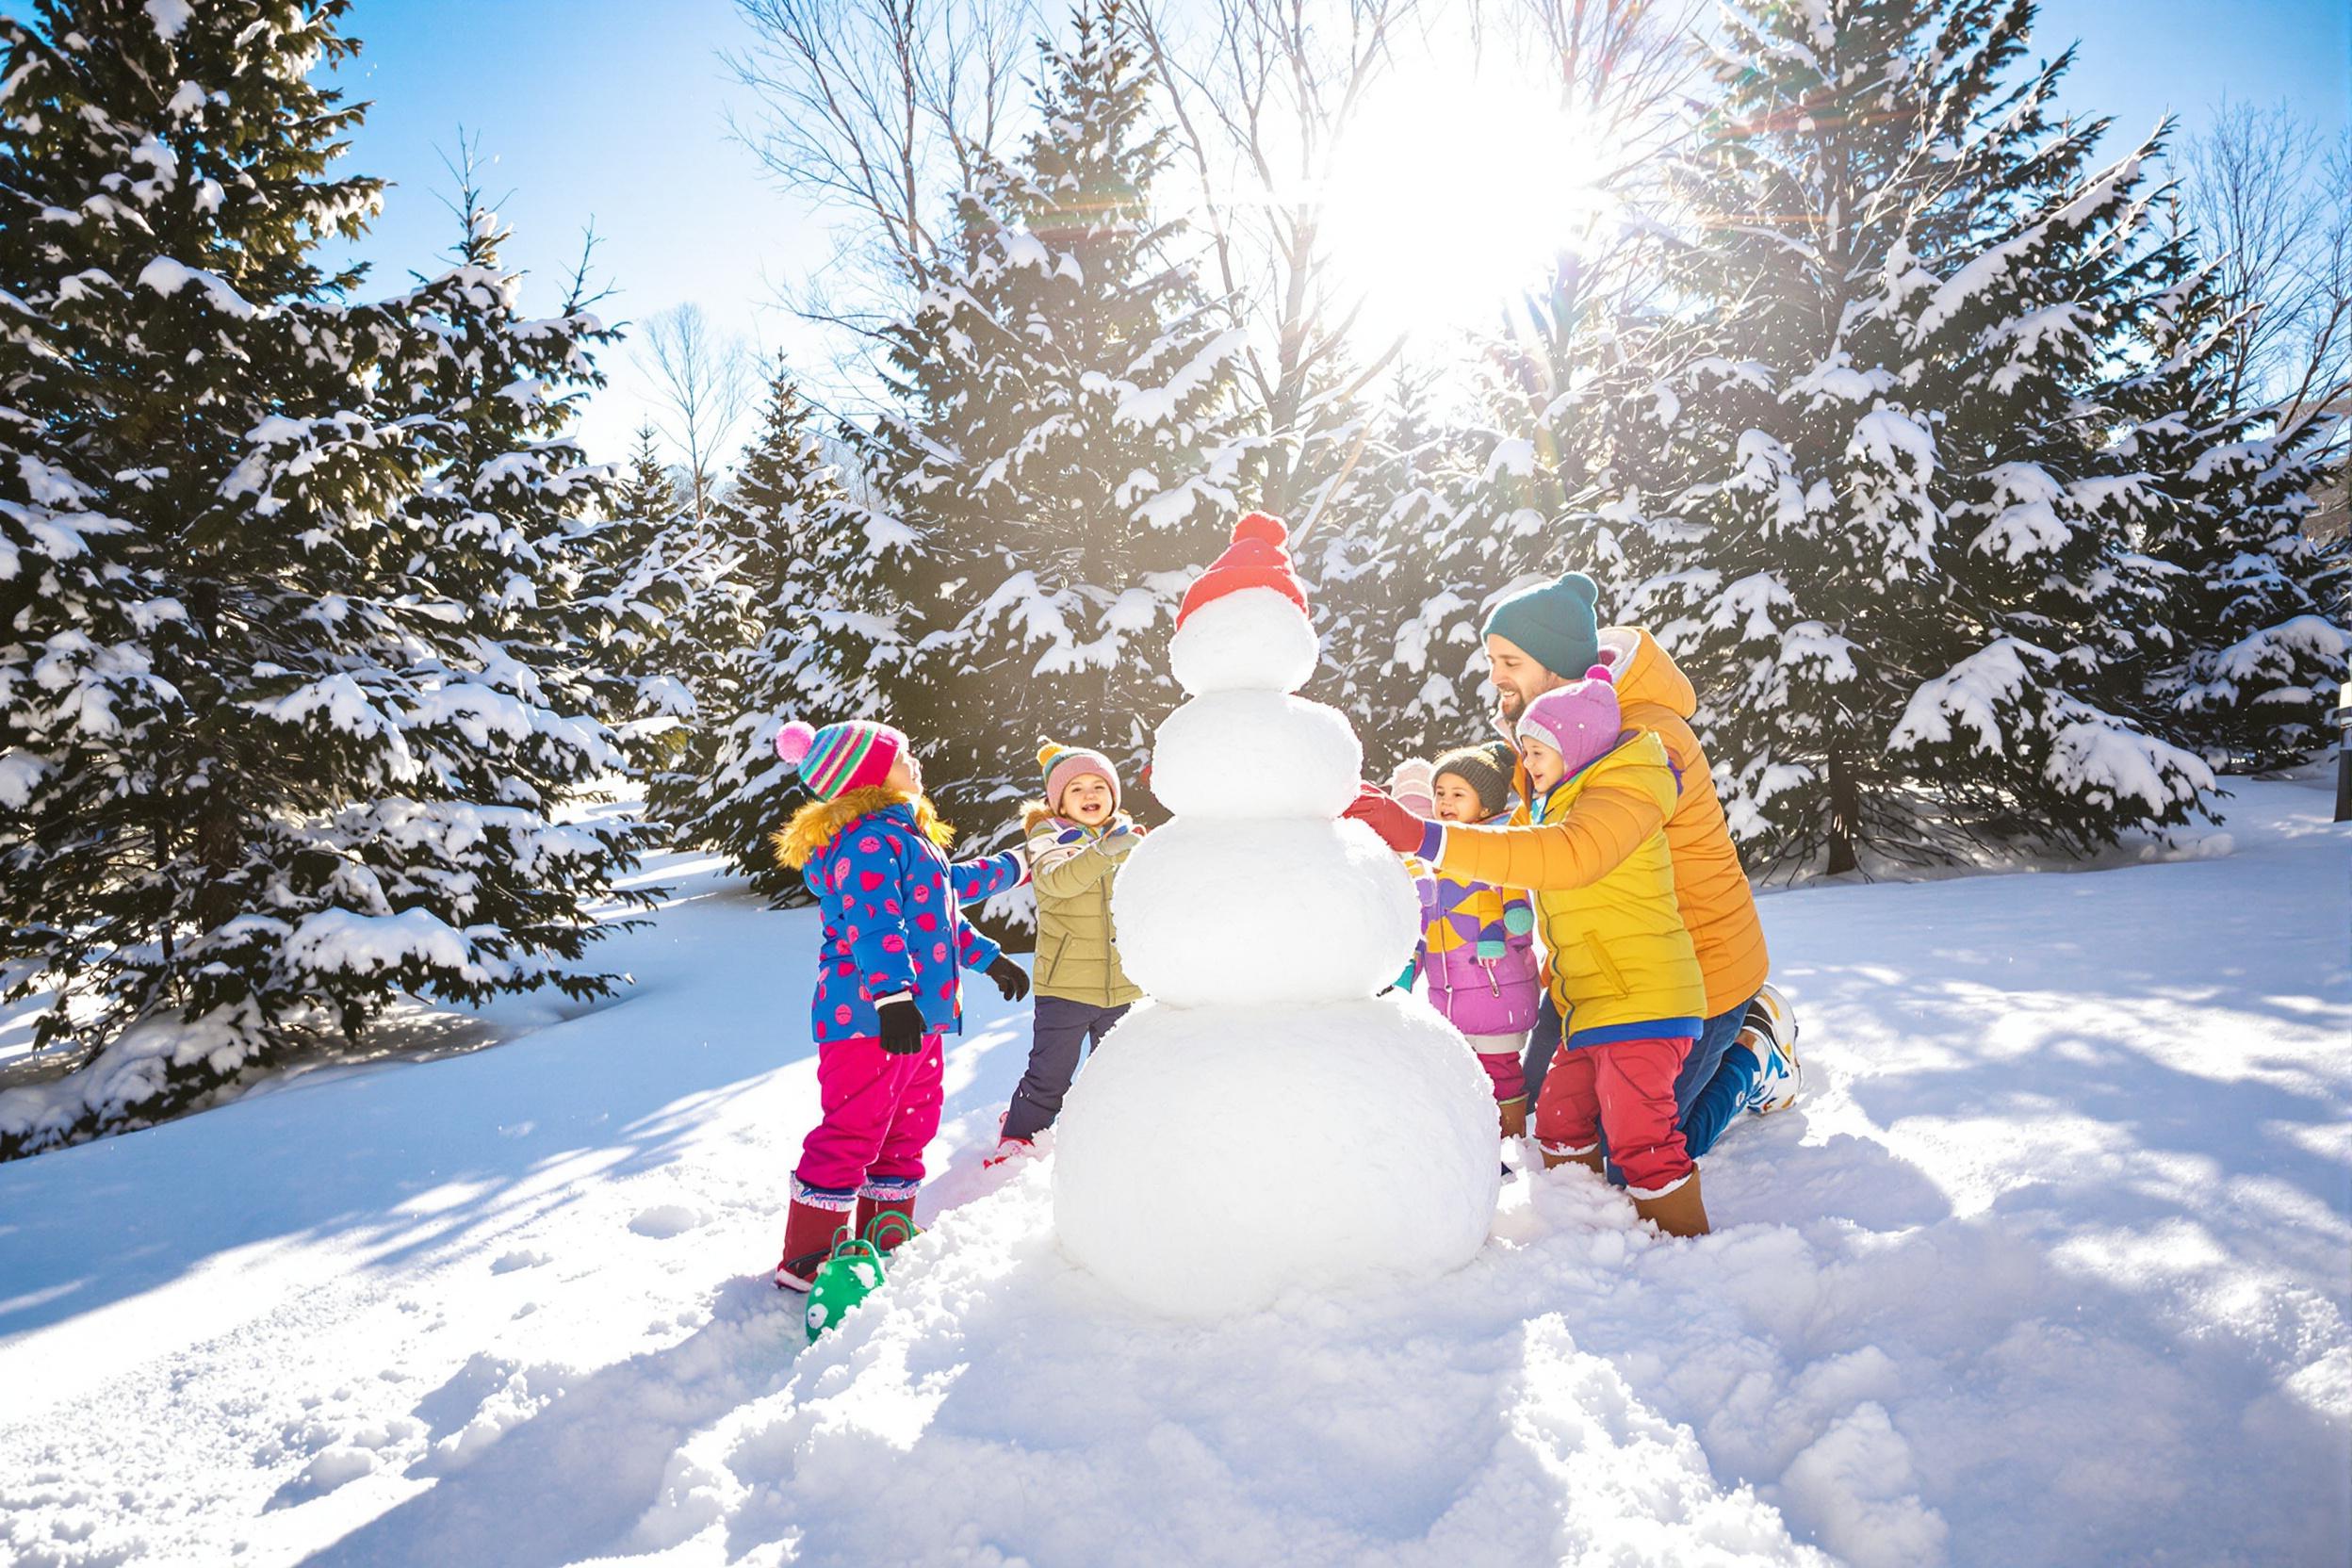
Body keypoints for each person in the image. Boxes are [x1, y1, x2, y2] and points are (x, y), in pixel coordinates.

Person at [1349, 666, 1713, 1235]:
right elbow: (1498, 839)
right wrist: (1401, 824)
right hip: (1591, 999)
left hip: (1645, 998)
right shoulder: (1556, 800)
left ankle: (1686, 1248)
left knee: (1641, 1135)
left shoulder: (1624, 795)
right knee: (1561, 1120)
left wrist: (1422, 836)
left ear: (1578, 747)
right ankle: (1590, 1229)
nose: (1529, 764)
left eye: (1539, 751)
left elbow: (1558, 856)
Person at [1479, 570, 1798, 1156]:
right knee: (1538, 1124)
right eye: (1493, 660)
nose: (1496, 676)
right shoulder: (1552, 733)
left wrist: (1438, 844)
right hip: (1605, 970)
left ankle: (1754, 1054)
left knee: (1624, 1152)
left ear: (1553, 663)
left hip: (1693, 981)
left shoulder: (1645, 737)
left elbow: (1580, 848)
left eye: (1510, 661)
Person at [768, 717, 1031, 1292]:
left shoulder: (905, 839)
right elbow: (876, 922)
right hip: (868, 1017)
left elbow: (938, 910)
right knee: (855, 1127)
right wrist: (891, 995)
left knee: (910, 1125)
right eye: (901, 754)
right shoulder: (865, 843)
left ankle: (885, 1233)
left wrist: (990, 958)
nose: (915, 759)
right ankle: (807, 1256)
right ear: (868, 775)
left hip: (918, 1015)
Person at [987, 741, 1145, 1165]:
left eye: (1099, 786)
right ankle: (1018, 1136)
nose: (1090, 795)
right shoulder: (1048, 838)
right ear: (1058, 801)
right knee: (1050, 1074)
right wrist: (1104, 852)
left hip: (1124, 983)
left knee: (1117, 1071)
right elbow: (1058, 881)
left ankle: (1108, 1138)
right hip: (1066, 986)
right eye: (1076, 789)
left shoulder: (1126, 838)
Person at [1409, 743, 1541, 1137]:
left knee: (1499, 1069)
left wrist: (1514, 920)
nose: (1445, 801)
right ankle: (1474, 1138)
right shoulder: (1433, 859)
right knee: (1462, 1070)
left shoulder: (1497, 849)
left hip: (1495, 988)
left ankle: (1510, 1136)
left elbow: (1516, 902)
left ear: (1484, 807)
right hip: (1448, 993)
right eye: (1440, 793)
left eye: (1458, 794)